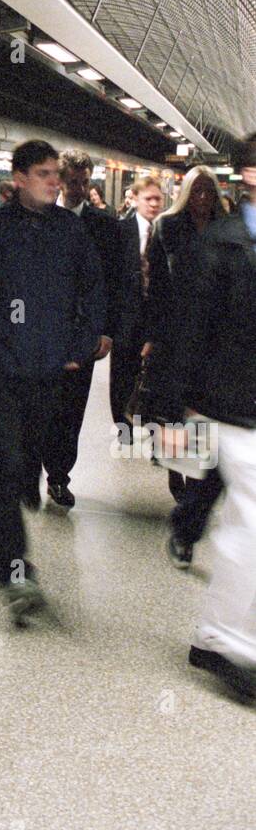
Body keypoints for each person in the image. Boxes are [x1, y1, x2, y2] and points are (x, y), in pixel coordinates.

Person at [0, 140, 105, 619]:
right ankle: (20, 569)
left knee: (23, 469)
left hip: (47, 373)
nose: (53, 182)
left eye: (55, 174)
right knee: (4, 462)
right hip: (0, 372)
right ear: (18, 178)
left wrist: (79, 350)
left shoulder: (71, 231)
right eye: (43, 173)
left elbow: (93, 291)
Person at [146, 132, 256, 703]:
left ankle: (215, 636)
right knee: (251, 525)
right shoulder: (217, 247)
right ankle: (227, 641)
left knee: (247, 524)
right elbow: (183, 330)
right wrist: (166, 410)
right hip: (234, 407)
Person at [143, 166, 227, 546]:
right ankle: (177, 473)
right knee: (172, 412)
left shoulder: (228, 232)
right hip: (175, 336)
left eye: (209, 191)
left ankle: (195, 483)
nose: (203, 198)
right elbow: (155, 287)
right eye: (198, 191)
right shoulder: (167, 228)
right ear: (186, 192)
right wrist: (152, 336)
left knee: (204, 411)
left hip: (214, 340)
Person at [47, 150, 121, 506]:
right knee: (44, 403)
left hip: (84, 333)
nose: (77, 188)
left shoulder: (105, 226)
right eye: (72, 181)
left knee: (72, 407)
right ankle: (42, 462)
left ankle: (59, 474)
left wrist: (107, 331)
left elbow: (115, 282)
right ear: (59, 181)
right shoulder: (39, 219)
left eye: (83, 182)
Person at [109, 175, 164, 429]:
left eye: (157, 199)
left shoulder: (167, 232)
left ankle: (146, 421)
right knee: (122, 373)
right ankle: (123, 425)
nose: (153, 204)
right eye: (148, 199)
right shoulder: (121, 231)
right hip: (126, 318)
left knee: (151, 375)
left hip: (154, 316)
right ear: (136, 199)